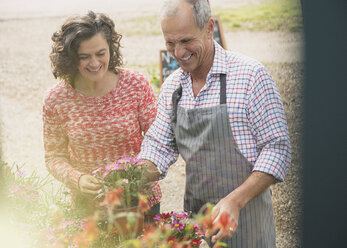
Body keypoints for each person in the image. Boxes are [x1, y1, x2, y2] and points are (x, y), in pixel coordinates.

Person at [139, 0, 291, 247]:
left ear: (209, 28)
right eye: (170, 43)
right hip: (197, 225)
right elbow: (158, 145)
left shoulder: (250, 75)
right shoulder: (173, 88)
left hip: (248, 222)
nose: (178, 52)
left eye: (186, 41)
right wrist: (126, 178)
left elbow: (277, 149)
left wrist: (235, 201)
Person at [43, 11, 161, 219]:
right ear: (70, 58)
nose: (94, 62)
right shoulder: (56, 99)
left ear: (111, 49)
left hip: (139, 203)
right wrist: (76, 179)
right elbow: (54, 157)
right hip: (89, 208)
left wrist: (139, 174)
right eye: (84, 57)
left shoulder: (135, 85)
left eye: (100, 53)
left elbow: (158, 140)